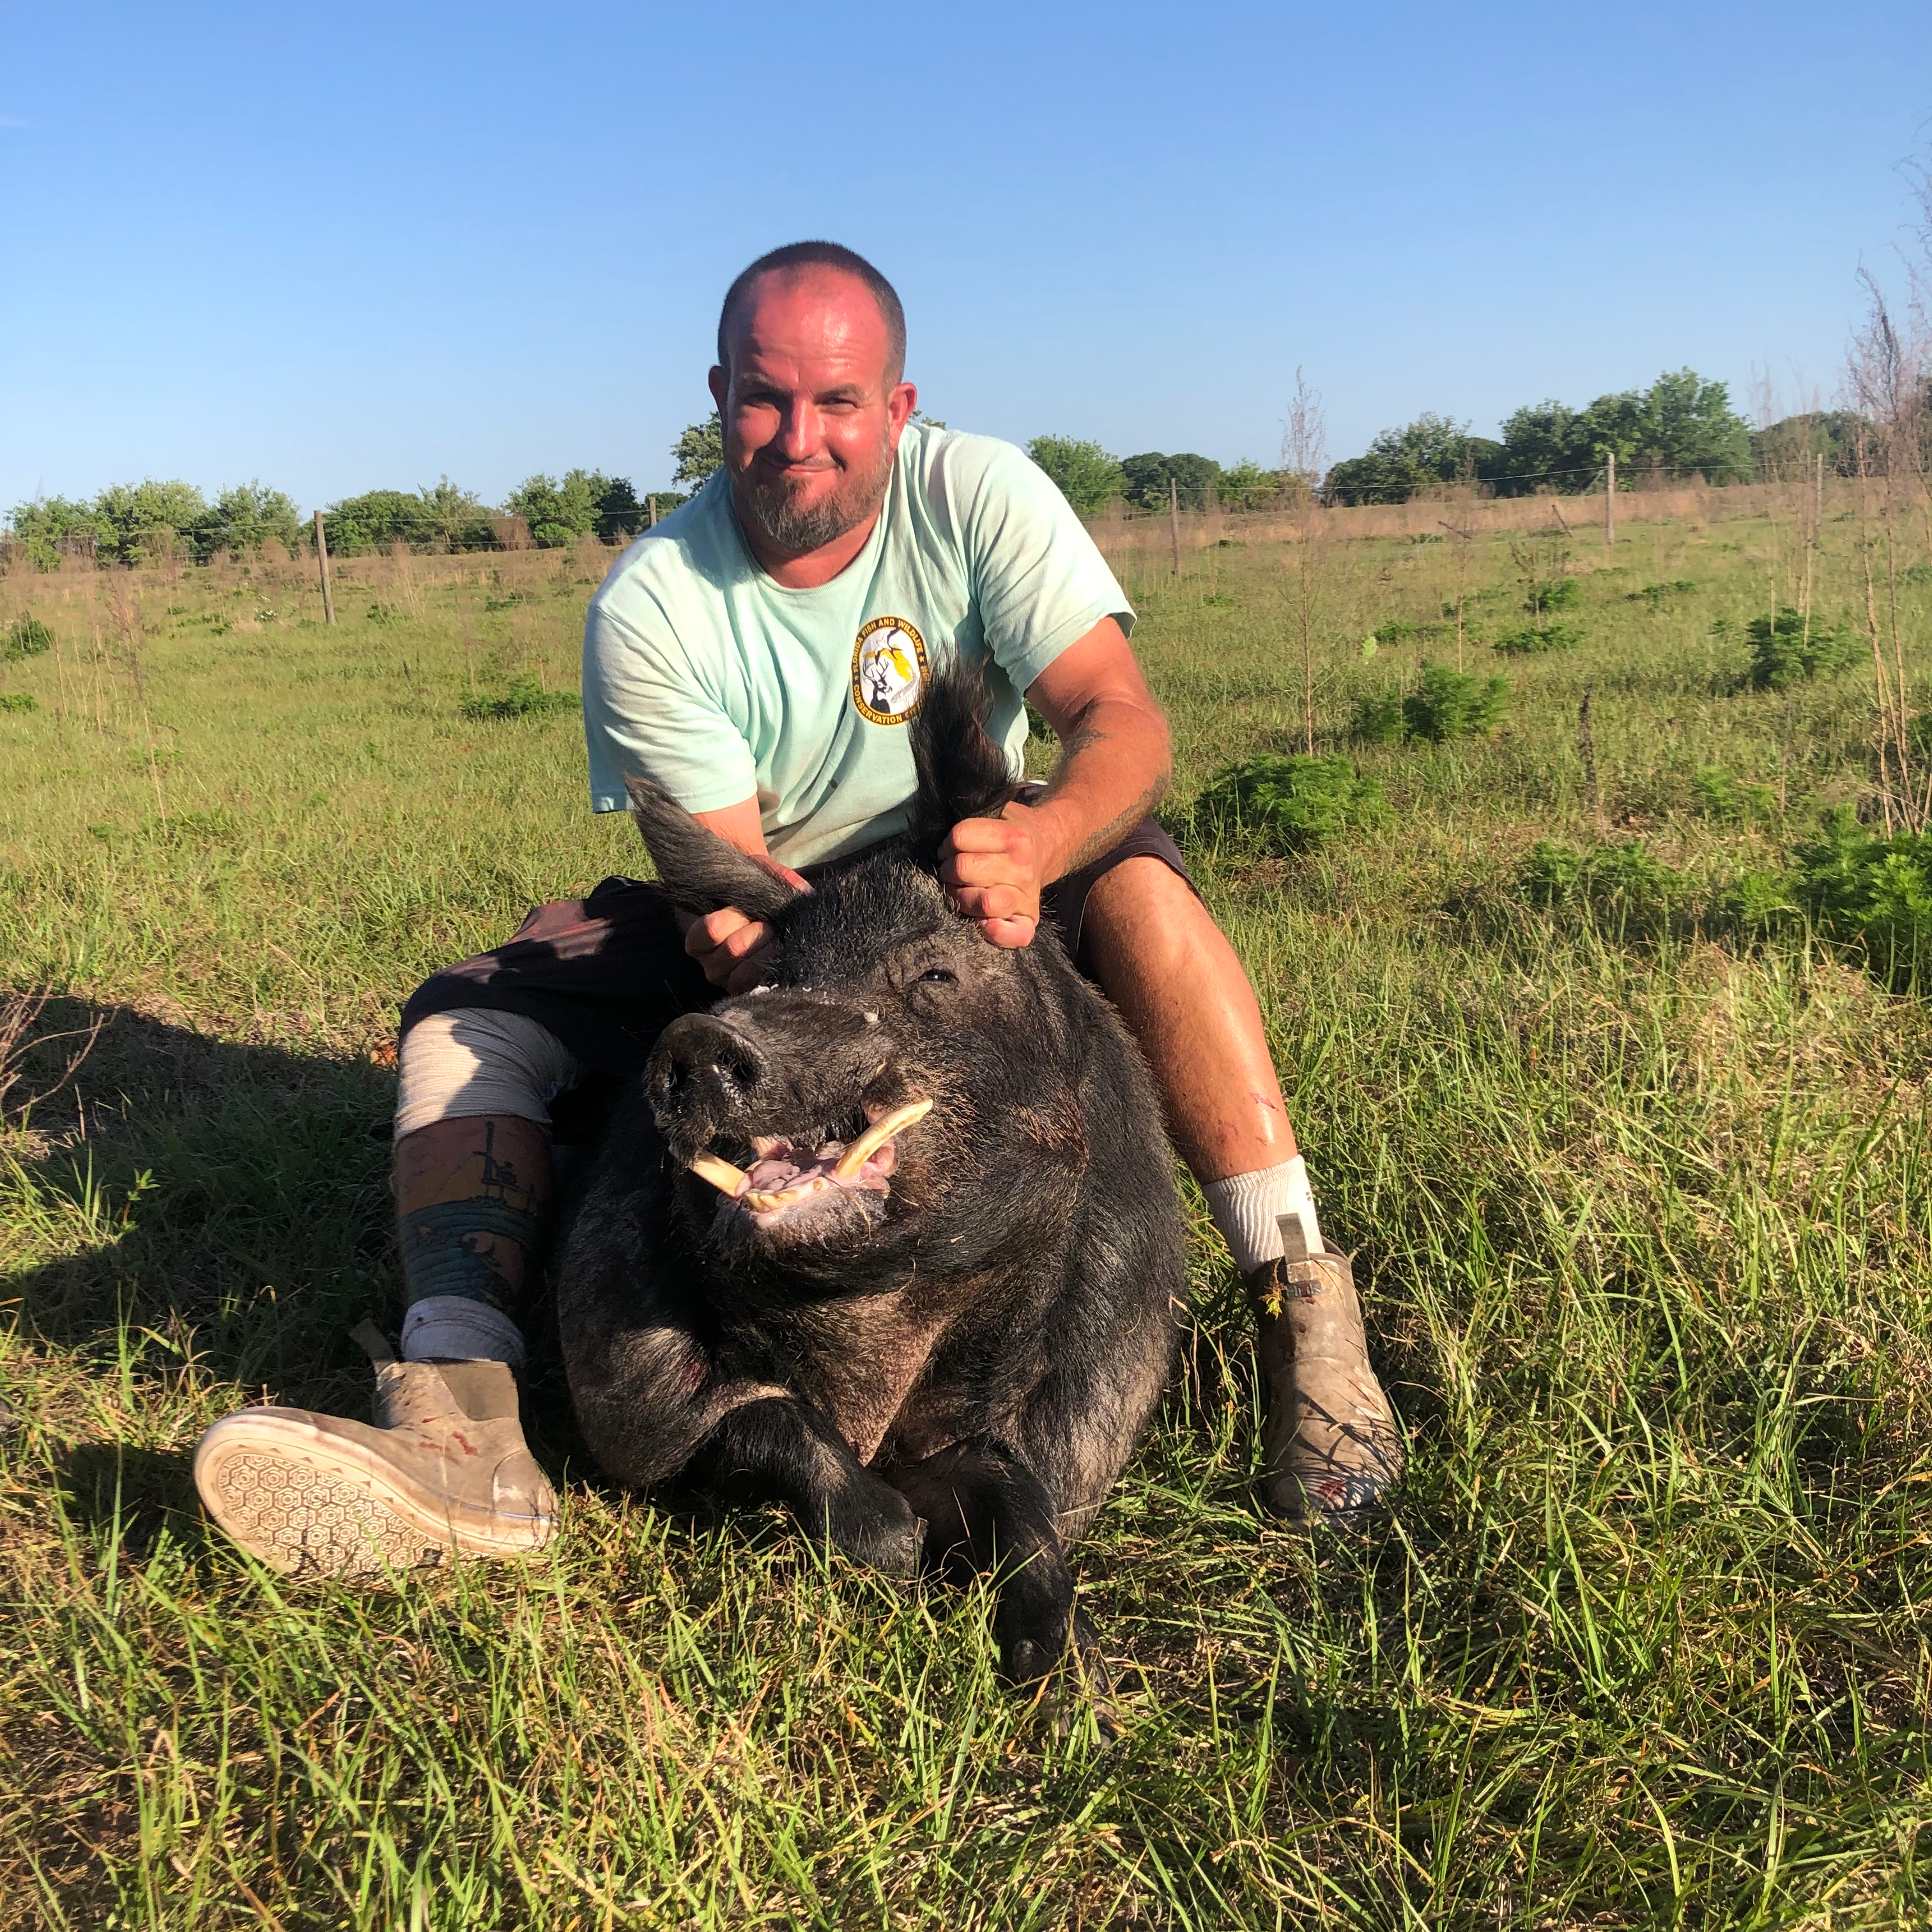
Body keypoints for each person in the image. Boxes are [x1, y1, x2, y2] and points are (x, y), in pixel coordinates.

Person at [192, 241, 1402, 1579]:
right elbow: (731, 895)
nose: (798, 438)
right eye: (765, 400)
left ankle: (1304, 1304)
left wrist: (1046, 837)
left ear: (898, 404)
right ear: (719, 396)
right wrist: (753, 962)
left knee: (1143, 887)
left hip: (970, 875)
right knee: (465, 1021)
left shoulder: (980, 493)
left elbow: (1121, 721)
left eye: (837, 402)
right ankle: (461, 1415)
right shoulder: (655, 600)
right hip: (786, 911)